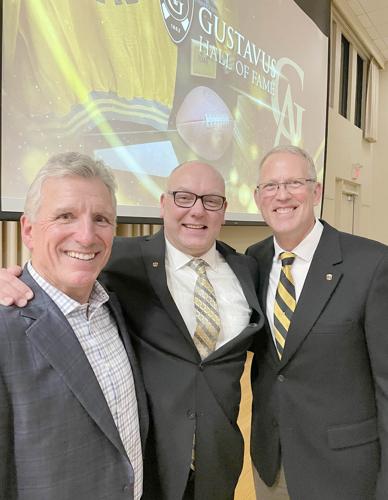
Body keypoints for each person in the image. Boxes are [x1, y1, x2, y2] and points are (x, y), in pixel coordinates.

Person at [0, 160, 264, 500]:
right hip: (156, 467)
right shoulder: (121, 261)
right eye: (183, 197)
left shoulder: (248, 268)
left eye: (210, 200)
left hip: (218, 459)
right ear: (163, 203)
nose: (196, 211)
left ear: (224, 210)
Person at [0, 152, 148, 500]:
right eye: (65, 215)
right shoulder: (5, 328)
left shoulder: (113, 305)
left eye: (101, 219)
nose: (86, 236)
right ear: (29, 230)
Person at [246, 145, 388, 500]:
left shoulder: (370, 264)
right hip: (271, 465)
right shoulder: (254, 260)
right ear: (258, 197)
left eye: (294, 182)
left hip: (343, 472)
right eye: (270, 186)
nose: (282, 195)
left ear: (316, 191)